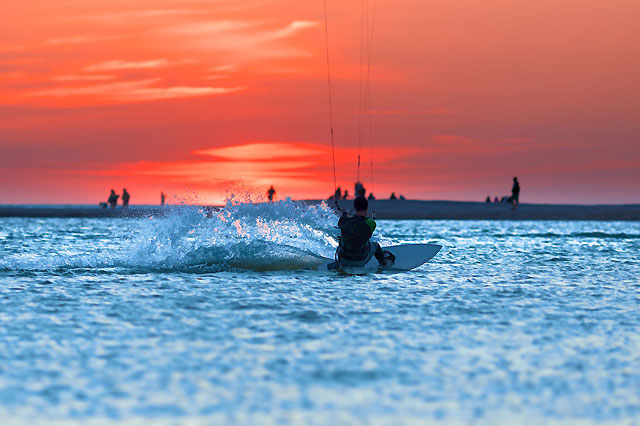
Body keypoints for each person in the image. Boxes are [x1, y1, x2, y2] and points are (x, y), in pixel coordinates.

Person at [329, 196, 392, 269]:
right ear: (367, 207)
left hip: (345, 260)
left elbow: (344, 223)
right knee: (375, 245)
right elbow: (360, 231)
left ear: (355, 208)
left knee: (342, 241)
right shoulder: (371, 223)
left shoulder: (344, 221)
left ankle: (339, 264)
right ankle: (384, 264)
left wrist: (345, 214)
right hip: (361, 260)